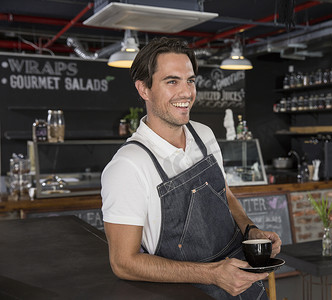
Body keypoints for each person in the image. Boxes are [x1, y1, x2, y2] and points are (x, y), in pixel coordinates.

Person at [101, 36, 282, 299]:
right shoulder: (128, 166)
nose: (186, 92)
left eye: (190, 80)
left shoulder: (204, 135)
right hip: (189, 292)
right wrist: (213, 274)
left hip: (243, 284)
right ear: (144, 89)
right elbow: (124, 262)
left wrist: (250, 230)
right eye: (171, 81)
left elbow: (225, 194)